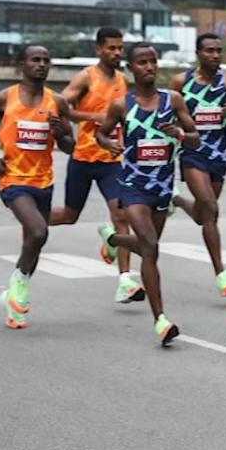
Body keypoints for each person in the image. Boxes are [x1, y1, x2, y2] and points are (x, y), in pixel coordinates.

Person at [0, 45, 76, 328]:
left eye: (46, 61)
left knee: (32, 244)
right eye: (35, 60)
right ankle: (19, 280)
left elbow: (70, 146)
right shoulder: (4, 98)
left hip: (44, 182)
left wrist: (60, 132)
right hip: (14, 180)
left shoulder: (57, 102)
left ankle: (15, 305)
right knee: (39, 231)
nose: (41, 65)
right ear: (22, 65)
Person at [95, 43, 201, 346]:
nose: (149, 67)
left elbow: (195, 140)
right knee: (151, 247)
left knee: (147, 246)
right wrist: (108, 144)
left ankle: (113, 239)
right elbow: (101, 132)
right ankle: (161, 320)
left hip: (162, 187)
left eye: (153, 61)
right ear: (131, 68)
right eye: (142, 62)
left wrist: (179, 134)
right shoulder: (122, 106)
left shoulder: (174, 101)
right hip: (132, 186)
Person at [46, 26, 141, 302]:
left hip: (112, 159)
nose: (116, 53)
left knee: (122, 216)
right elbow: (60, 103)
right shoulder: (87, 76)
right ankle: (34, 221)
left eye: (120, 48)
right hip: (83, 158)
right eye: (111, 48)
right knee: (69, 215)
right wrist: (95, 116)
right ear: (99, 49)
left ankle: (125, 281)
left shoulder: (123, 80)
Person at [167, 32, 226, 297]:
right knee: (212, 208)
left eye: (218, 50)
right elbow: (168, 112)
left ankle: (178, 201)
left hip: (219, 153)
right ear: (198, 54)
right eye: (209, 51)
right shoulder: (181, 81)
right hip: (193, 153)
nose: (215, 55)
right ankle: (221, 274)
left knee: (204, 215)